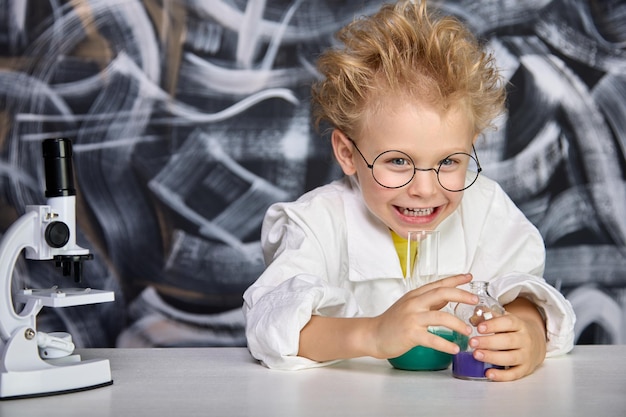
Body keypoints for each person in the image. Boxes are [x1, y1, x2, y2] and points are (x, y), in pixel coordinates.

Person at [242, 0, 575, 381]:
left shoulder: (485, 208)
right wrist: (371, 333)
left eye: (450, 162)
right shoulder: (318, 222)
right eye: (398, 161)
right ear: (348, 154)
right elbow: (269, 324)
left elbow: (523, 288)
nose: (424, 189)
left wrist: (527, 333)